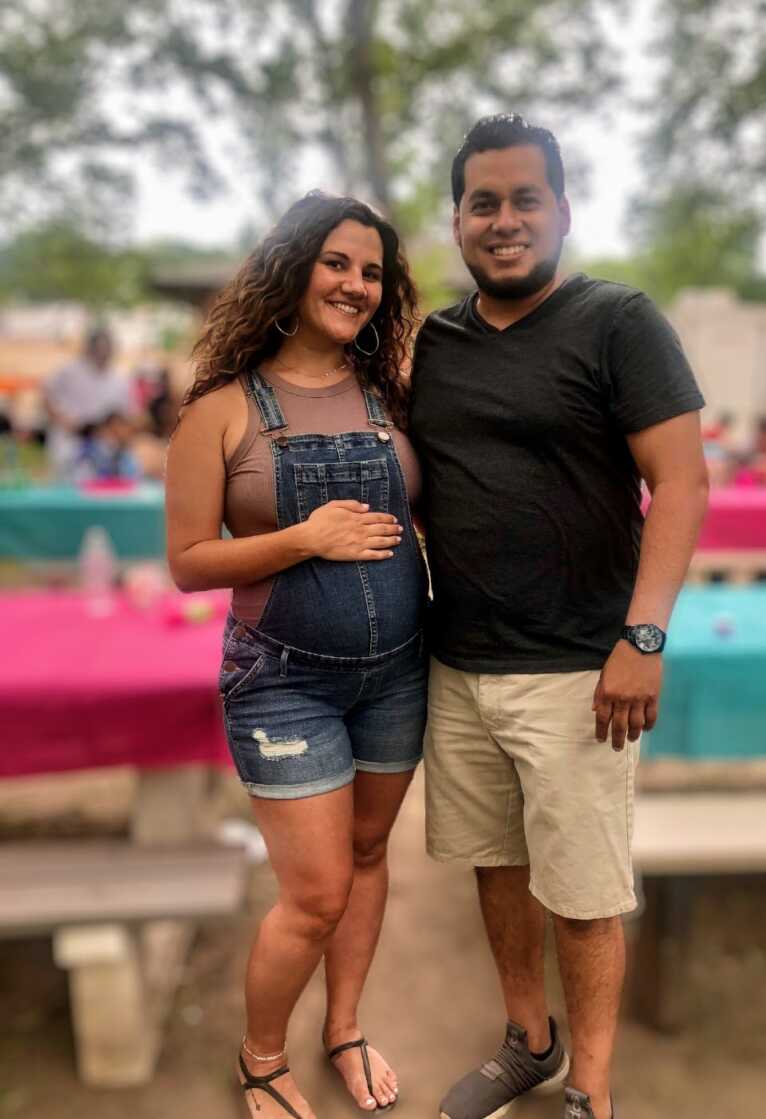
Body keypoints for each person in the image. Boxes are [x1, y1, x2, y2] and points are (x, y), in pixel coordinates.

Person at [408, 115, 708, 1119]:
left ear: (563, 211)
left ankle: (594, 1089)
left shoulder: (620, 322)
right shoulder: (436, 345)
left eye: (524, 199)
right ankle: (527, 1042)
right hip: (458, 666)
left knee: (582, 896)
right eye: (482, 202)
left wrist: (644, 636)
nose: (503, 220)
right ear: (456, 221)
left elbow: (683, 482)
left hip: (581, 672)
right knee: (496, 870)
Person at [166, 191, 429, 1119]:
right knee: (314, 894)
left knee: (367, 853)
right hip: (282, 684)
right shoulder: (221, 411)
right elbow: (188, 562)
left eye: (371, 272)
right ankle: (262, 1057)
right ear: (292, 267)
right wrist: (303, 538)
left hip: (400, 670)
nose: (356, 285)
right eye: (337, 263)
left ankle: (344, 1026)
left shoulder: (392, 396)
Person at [44, 327, 133, 478]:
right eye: (99, 346)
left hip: (102, 446)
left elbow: (124, 416)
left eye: (107, 347)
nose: (103, 351)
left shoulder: (119, 379)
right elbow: (46, 395)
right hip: (69, 441)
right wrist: (64, 421)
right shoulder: (70, 371)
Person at [72, 412, 142, 482]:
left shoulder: (128, 452)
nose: (118, 434)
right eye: (113, 431)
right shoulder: (89, 450)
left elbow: (132, 477)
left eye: (121, 429)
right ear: (103, 430)